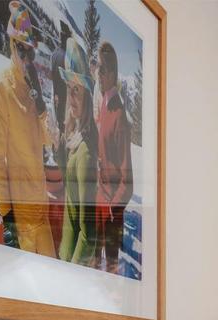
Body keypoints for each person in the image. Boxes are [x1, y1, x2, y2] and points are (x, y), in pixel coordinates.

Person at [0, 1, 56, 258]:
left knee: (54, 276)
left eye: (30, 52)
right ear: (11, 46)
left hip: (40, 207)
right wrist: (7, 216)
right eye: (22, 51)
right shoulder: (2, 89)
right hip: (21, 217)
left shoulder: (33, 92)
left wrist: (42, 107)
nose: (27, 58)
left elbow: (48, 141)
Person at [92, 40, 131, 273]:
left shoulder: (119, 116)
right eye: (98, 68)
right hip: (99, 200)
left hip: (110, 210)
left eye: (103, 70)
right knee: (94, 268)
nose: (99, 74)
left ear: (113, 73)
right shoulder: (105, 105)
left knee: (111, 272)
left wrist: (111, 210)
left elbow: (128, 183)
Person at [57, 39, 96, 265]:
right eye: (69, 89)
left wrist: (72, 274)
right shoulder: (76, 139)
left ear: (87, 97)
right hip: (66, 252)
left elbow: (88, 235)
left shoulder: (85, 152)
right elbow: (71, 190)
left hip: (72, 262)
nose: (71, 98)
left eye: (77, 91)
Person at [48, 22, 71, 172]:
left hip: (55, 96)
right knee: (65, 128)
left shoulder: (54, 54)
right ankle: (63, 160)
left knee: (57, 125)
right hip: (65, 98)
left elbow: (51, 75)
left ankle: (56, 155)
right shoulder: (67, 57)